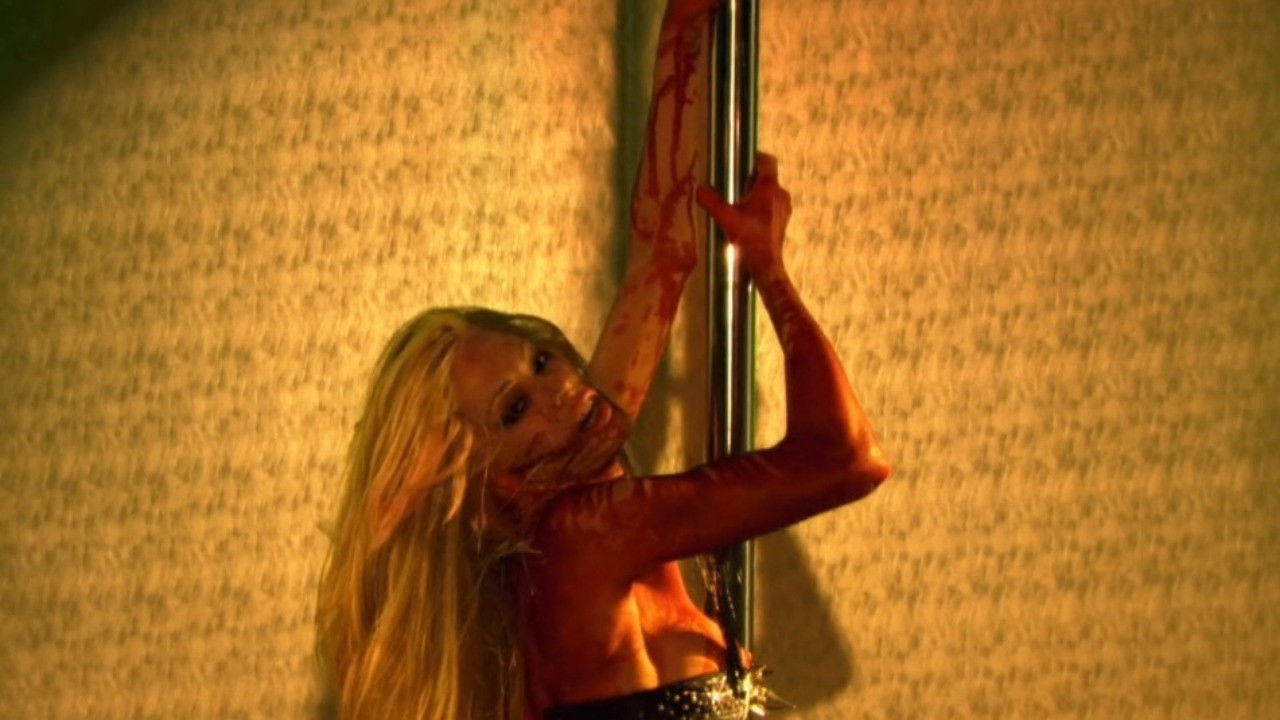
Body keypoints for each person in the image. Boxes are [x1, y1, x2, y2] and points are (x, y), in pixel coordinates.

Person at [314, 1, 890, 718]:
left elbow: (662, 253)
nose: (560, 390)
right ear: (493, 485)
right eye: (514, 411)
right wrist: (770, 272)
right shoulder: (584, 532)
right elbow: (846, 459)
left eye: (542, 361)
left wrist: (686, 24)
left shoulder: (574, 471)